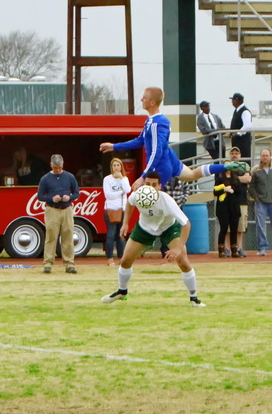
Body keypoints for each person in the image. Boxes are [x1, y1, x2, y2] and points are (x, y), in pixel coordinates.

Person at [99, 87, 247, 189]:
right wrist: (114, 146)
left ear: (152, 102)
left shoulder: (158, 122)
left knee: (145, 201)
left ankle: (173, 224)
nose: (141, 99)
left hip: (161, 166)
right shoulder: (151, 120)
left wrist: (143, 176)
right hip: (168, 158)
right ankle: (226, 166)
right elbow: (140, 141)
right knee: (192, 174)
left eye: (144, 98)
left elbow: (156, 151)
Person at [101, 171, 205, 307]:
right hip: (145, 228)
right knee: (125, 260)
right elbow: (130, 203)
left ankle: (194, 298)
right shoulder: (138, 195)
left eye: (154, 185)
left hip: (168, 228)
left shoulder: (167, 201)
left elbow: (187, 224)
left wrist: (178, 248)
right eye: (148, 184)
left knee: (183, 261)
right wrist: (125, 223)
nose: (150, 188)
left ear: (160, 186)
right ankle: (122, 291)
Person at [37, 154, 79, 274]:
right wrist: (51, 198)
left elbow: (77, 193)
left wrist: (69, 197)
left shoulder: (69, 177)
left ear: (62, 165)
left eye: (59, 167)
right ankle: (48, 263)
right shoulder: (45, 179)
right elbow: (40, 196)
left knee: (68, 235)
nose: (58, 170)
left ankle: (69, 263)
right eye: (56, 168)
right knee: (51, 236)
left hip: (67, 209)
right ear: (51, 165)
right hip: (52, 209)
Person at [250, 148, 272, 256]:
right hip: (260, 202)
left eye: (267, 155)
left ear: (270, 157)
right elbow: (251, 186)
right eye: (263, 155)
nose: (265, 157)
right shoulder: (255, 170)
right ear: (260, 157)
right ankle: (262, 248)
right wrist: (255, 197)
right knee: (260, 226)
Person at [103, 158, 131, 267]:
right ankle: (110, 258)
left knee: (121, 235)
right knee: (110, 235)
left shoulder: (124, 179)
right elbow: (108, 195)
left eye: (118, 165)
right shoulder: (107, 179)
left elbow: (128, 190)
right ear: (111, 167)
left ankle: (121, 257)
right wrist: (120, 192)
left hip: (122, 209)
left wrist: (121, 178)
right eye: (114, 165)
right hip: (110, 209)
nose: (116, 167)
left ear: (121, 167)